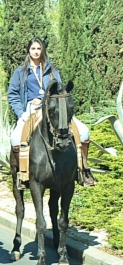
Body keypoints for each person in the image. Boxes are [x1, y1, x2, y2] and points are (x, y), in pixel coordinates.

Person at [8, 37, 96, 186]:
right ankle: (23, 174)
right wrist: (20, 112)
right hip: (31, 110)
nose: (36, 52)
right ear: (28, 51)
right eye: (33, 49)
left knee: (84, 132)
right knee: (16, 139)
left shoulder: (52, 70)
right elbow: (12, 94)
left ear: (43, 50)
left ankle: (83, 170)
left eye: (38, 48)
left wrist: (44, 100)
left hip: (54, 109)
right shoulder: (20, 72)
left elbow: (60, 90)